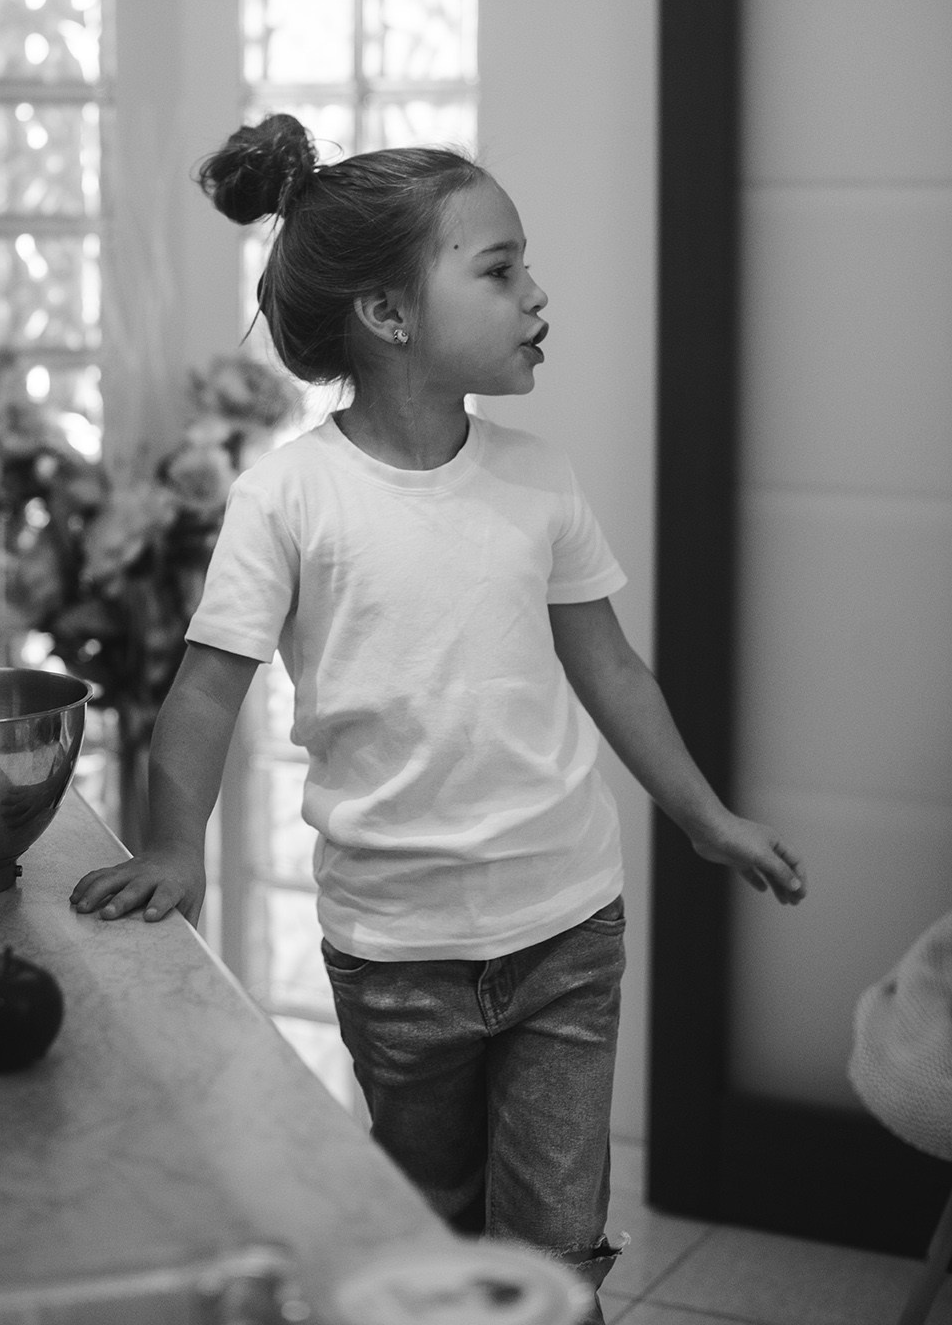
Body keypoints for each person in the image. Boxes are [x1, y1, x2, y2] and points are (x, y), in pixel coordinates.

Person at [70, 114, 806, 1323]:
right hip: (395, 952)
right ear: (390, 316)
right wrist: (169, 846)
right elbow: (208, 686)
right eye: (500, 267)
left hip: (566, 925)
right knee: (425, 1232)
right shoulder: (288, 496)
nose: (534, 292)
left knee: (552, 1248)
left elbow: (612, 670)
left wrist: (703, 814)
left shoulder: (538, 478)